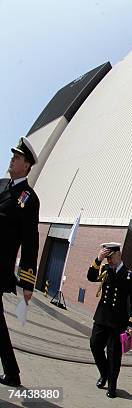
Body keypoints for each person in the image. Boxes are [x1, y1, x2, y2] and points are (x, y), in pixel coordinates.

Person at [0, 137, 40, 387]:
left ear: (26, 166)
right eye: (12, 155)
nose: (12, 159)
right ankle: (12, 372)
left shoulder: (28, 198)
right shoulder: (2, 184)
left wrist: (27, 283)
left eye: (17, 157)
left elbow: (30, 242)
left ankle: (13, 373)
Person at [87, 242, 132, 398]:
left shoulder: (130, 275)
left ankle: (112, 385)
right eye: (106, 258)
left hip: (118, 322)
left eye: (110, 257)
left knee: (113, 355)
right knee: (95, 345)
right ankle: (104, 374)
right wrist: (98, 259)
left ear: (118, 254)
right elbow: (90, 277)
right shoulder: (104, 269)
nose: (108, 261)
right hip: (102, 318)